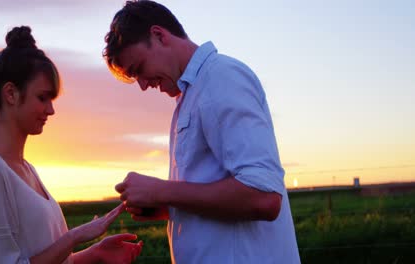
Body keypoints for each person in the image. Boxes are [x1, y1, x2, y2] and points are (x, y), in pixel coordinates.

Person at [103, 1, 301, 263]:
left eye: (139, 68)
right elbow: (217, 196)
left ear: (159, 36)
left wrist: (162, 191)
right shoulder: (192, 95)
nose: (142, 85)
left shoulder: (220, 78)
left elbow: (263, 197)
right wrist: (168, 207)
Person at [0, 26, 143, 264]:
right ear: (11, 94)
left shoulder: (27, 169)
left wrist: (94, 254)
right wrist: (74, 237)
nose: (51, 110)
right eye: (42, 98)